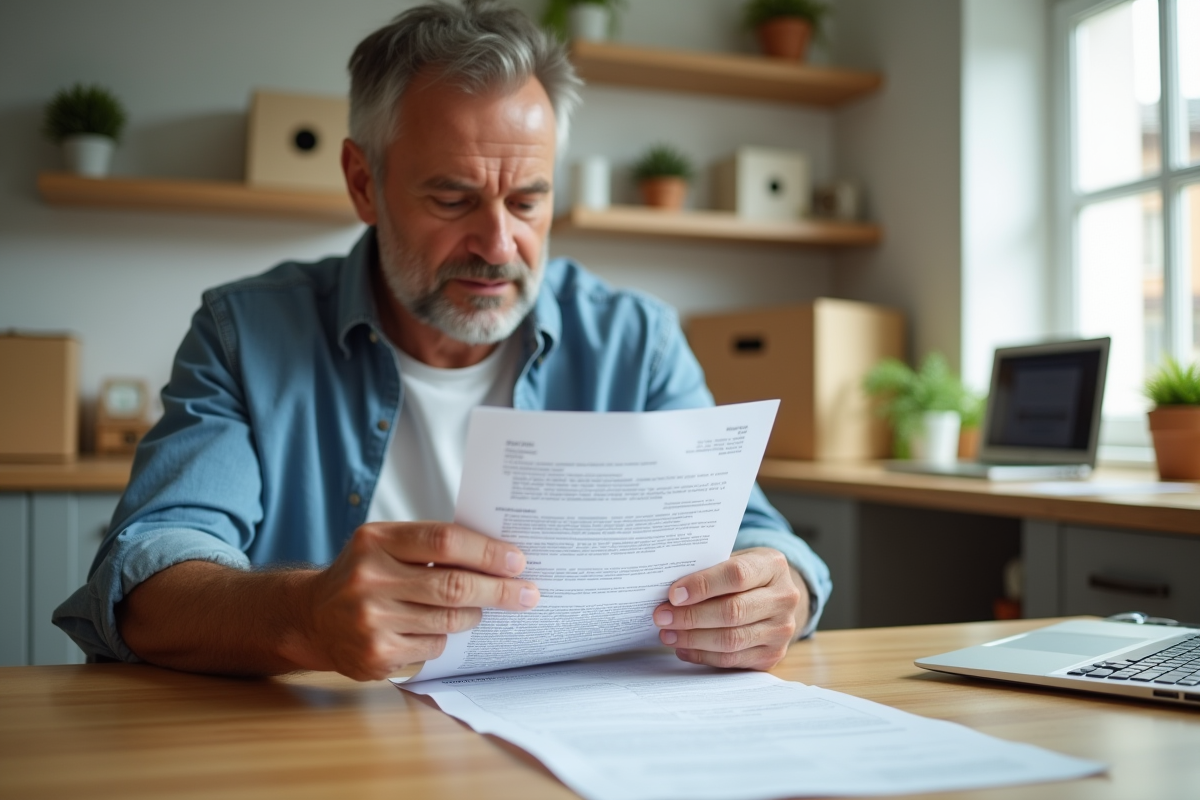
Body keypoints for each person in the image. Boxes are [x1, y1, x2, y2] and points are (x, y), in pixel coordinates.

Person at [53, 0, 831, 681]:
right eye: (453, 198)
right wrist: (305, 614)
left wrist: (778, 589)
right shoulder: (245, 335)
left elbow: (757, 535)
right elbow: (147, 582)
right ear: (363, 182)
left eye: (528, 200)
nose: (498, 244)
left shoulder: (637, 341)